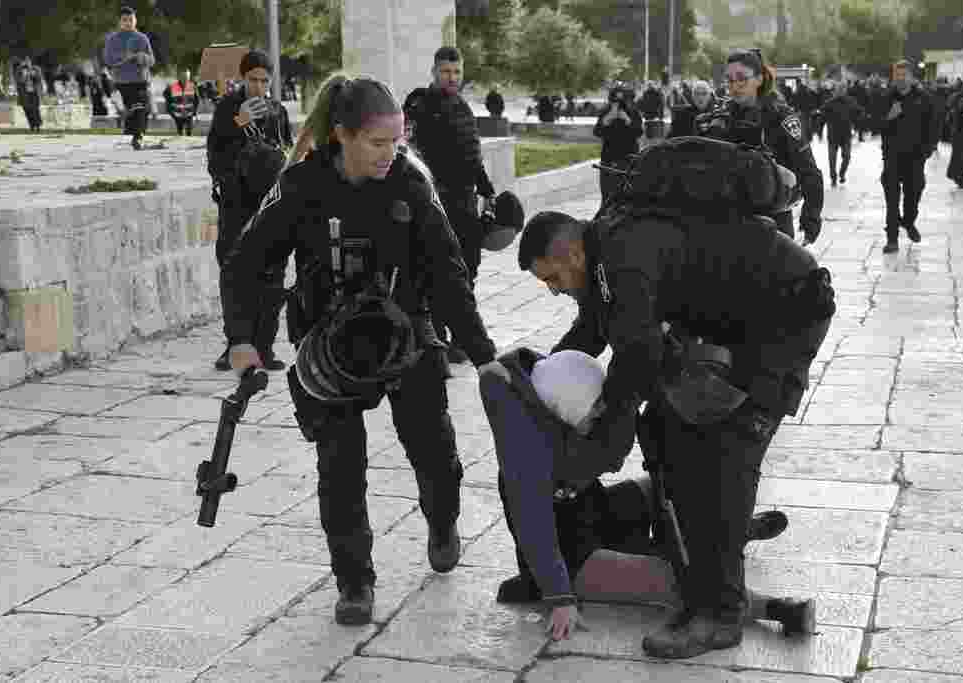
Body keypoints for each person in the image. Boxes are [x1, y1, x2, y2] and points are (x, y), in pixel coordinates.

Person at [224, 75, 498, 627]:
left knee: (434, 450)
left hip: (405, 330)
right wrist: (242, 340)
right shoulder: (301, 185)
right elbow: (247, 262)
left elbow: (448, 273)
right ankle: (355, 582)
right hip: (329, 345)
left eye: (397, 142)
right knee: (340, 467)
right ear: (343, 136)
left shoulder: (412, 182)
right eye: (377, 143)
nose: (389, 154)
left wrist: (483, 352)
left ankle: (443, 520)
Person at [514, 203, 834, 657]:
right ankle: (701, 542)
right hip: (741, 319)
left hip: (784, 316)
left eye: (553, 281)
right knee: (666, 427)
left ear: (571, 256)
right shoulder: (602, 255)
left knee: (727, 449)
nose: (554, 291)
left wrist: (592, 456)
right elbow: (592, 331)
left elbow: (635, 364)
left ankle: (720, 614)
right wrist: (538, 376)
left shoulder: (623, 260)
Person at [480, 348, 816, 641]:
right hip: (575, 561)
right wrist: (560, 598)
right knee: (675, 577)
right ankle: (779, 609)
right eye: (594, 407)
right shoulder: (523, 451)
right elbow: (533, 527)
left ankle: (729, 528)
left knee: (667, 484)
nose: (600, 413)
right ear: (567, 405)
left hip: (593, 512)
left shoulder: (542, 399)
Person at [404, 46, 497, 364]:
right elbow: (410, 151)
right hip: (434, 200)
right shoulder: (418, 104)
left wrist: (488, 190)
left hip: (465, 201)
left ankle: (461, 336)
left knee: (468, 267)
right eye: (446, 71)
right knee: (436, 266)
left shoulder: (463, 107)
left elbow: (474, 155)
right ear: (434, 71)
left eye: (456, 72)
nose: (452, 77)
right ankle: (437, 336)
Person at [207, 49, 293, 372]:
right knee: (234, 275)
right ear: (242, 79)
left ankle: (265, 346)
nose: (259, 87)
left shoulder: (278, 111)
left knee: (272, 276)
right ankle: (235, 345)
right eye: (253, 80)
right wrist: (237, 124)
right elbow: (215, 155)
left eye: (265, 81)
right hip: (236, 205)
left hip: (270, 204)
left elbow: (288, 152)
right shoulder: (226, 108)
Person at [697, 49, 823, 243]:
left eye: (741, 79)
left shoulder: (781, 117)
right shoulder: (722, 116)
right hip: (728, 221)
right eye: (729, 80)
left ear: (759, 79)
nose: (735, 86)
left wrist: (811, 220)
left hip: (772, 219)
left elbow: (808, 170)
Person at [869, 61, 937, 254]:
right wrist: (889, 117)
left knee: (913, 195)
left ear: (911, 76)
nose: (900, 78)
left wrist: (928, 150)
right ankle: (892, 239)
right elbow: (873, 125)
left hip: (915, 158)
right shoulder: (886, 98)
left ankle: (908, 222)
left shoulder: (924, 98)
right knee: (891, 200)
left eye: (903, 75)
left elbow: (933, 126)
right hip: (892, 157)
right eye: (896, 75)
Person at [102, 6, 155, 150]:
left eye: (131, 20)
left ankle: (138, 137)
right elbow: (108, 60)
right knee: (130, 112)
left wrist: (140, 57)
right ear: (119, 22)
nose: (128, 23)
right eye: (125, 20)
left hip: (140, 81)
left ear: (135, 20)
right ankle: (133, 135)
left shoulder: (142, 38)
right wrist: (124, 58)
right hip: (121, 83)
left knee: (141, 108)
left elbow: (151, 61)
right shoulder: (112, 39)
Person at [593, 87, 643, 207]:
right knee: (607, 196)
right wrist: (607, 119)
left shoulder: (633, 113)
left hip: (628, 160)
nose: (618, 105)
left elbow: (639, 132)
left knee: (627, 196)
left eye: (621, 102)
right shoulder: (605, 113)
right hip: (608, 160)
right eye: (614, 102)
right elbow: (597, 132)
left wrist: (627, 120)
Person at [818, 81, 865, 187]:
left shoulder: (850, 101)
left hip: (846, 135)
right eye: (839, 89)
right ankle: (833, 178)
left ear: (845, 91)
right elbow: (821, 118)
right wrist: (819, 131)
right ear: (835, 91)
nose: (840, 91)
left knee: (847, 156)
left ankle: (842, 173)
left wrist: (860, 122)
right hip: (833, 135)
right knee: (832, 159)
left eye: (842, 89)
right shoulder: (829, 103)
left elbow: (858, 112)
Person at [164, 68, 199, 136]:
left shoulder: (193, 86)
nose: (185, 79)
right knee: (180, 132)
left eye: (187, 77)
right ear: (180, 77)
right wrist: (170, 111)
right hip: (178, 114)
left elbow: (197, 100)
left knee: (189, 132)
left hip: (189, 113)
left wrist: (195, 111)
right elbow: (167, 98)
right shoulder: (172, 87)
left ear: (189, 77)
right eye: (184, 77)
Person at [14, 58, 43, 132]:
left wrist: (33, 74)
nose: (27, 62)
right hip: (25, 94)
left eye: (28, 60)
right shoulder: (20, 70)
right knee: (27, 110)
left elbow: (39, 79)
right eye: (25, 61)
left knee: (35, 110)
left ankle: (37, 125)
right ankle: (32, 125)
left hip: (34, 93)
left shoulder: (36, 69)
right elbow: (18, 80)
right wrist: (24, 76)